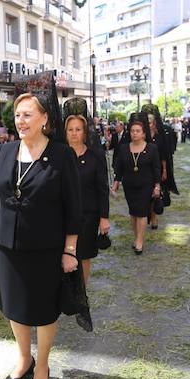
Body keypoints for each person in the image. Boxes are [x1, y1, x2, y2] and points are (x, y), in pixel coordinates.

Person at [0, 93, 81, 379]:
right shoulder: (6, 150)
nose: (20, 121)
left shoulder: (61, 155)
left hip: (46, 249)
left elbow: (73, 208)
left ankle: (43, 364)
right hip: (7, 248)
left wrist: (69, 250)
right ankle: (24, 359)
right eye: (18, 115)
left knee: (44, 310)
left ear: (45, 118)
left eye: (27, 115)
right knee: (15, 307)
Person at [65, 115, 109, 287]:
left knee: (83, 255)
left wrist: (104, 217)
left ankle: (81, 294)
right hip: (63, 215)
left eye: (78, 129)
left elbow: (102, 188)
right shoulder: (60, 155)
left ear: (85, 132)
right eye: (70, 130)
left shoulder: (95, 156)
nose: (74, 133)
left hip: (88, 216)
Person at [112, 119, 161, 254]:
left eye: (138, 131)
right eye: (133, 131)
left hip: (146, 185)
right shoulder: (124, 148)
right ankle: (136, 236)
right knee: (133, 213)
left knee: (142, 213)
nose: (135, 133)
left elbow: (156, 168)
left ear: (144, 134)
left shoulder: (151, 148)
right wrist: (116, 182)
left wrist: (157, 185)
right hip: (129, 185)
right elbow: (119, 168)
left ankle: (140, 240)